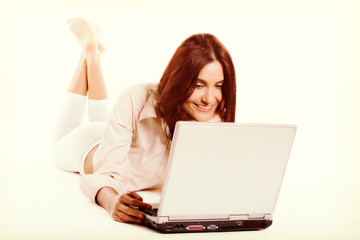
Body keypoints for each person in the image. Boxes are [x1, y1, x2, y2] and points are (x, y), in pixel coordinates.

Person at [52, 18, 236, 224]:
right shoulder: (135, 97)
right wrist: (112, 201)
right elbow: (105, 175)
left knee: (107, 122)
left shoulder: (215, 117)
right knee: (55, 147)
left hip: (118, 138)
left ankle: (92, 54)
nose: (209, 99)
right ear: (180, 78)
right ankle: (89, 57)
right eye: (199, 85)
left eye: (219, 85)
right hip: (88, 145)